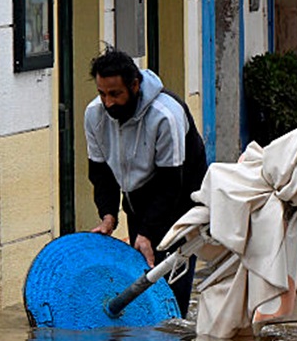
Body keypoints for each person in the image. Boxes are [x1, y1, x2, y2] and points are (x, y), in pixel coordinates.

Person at [84, 48, 206, 316]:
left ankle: (175, 329)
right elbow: (101, 172)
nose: (108, 103)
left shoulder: (165, 115)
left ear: (135, 85)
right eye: (102, 93)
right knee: (141, 275)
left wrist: (148, 233)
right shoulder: (94, 114)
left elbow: (171, 184)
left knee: (171, 278)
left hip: (181, 196)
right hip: (136, 196)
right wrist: (108, 215)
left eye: (115, 94)